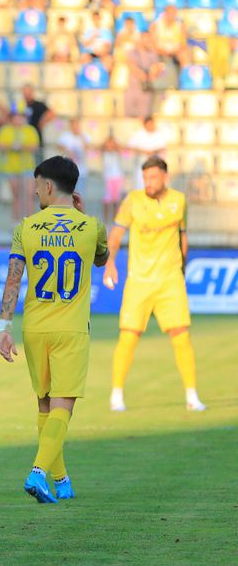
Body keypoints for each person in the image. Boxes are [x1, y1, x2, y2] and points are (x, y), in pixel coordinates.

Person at [0, 156, 108, 503]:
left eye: (36, 186)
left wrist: (4, 326)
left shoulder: (26, 226)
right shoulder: (91, 226)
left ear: (47, 186)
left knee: (45, 405)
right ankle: (37, 472)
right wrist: (83, 213)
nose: (35, 192)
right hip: (71, 329)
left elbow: (13, 278)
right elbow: (101, 259)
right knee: (63, 406)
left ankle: (61, 480)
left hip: (34, 328)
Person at [104, 156, 206, 413]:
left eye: (153, 177)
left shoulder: (179, 201)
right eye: (145, 177)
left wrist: (182, 267)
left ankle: (192, 397)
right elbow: (116, 234)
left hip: (170, 280)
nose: (148, 182)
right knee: (128, 336)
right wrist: (110, 262)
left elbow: (183, 235)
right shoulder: (132, 201)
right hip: (139, 279)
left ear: (164, 177)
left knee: (181, 335)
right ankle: (116, 394)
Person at [0, 110, 40, 221]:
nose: (19, 119)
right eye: (16, 116)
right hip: (11, 168)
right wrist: (13, 147)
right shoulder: (5, 130)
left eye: (21, 116)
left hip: (27, 167)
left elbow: (35, 146)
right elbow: (1, 146)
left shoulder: (30, 130)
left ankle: (30, 222)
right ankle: (16, 222)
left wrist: (21, 147)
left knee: (28, 195)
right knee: (16, 196)